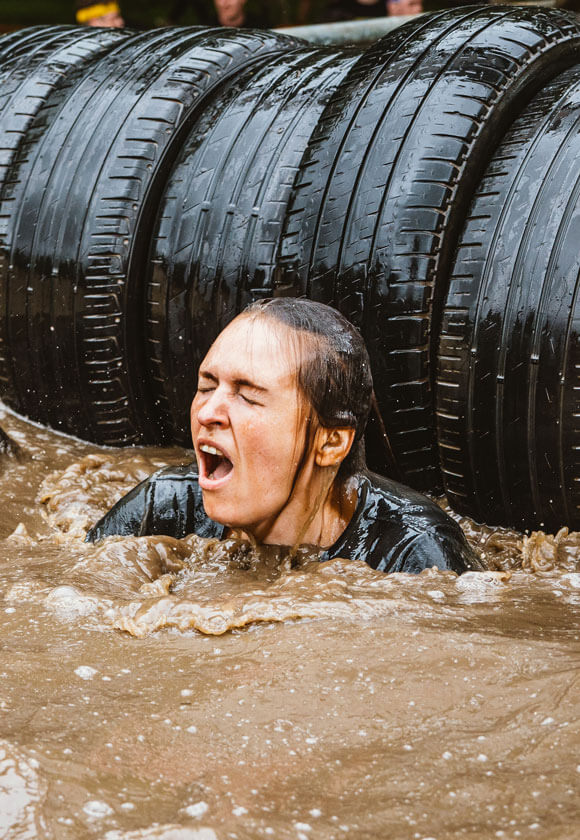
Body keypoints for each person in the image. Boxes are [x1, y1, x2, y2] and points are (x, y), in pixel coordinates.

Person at [86, 299, 483, 575]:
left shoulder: (414, 552)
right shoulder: (164, 508)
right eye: (207, 386)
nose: (207, 413)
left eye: (247, 395)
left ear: (330, 443)